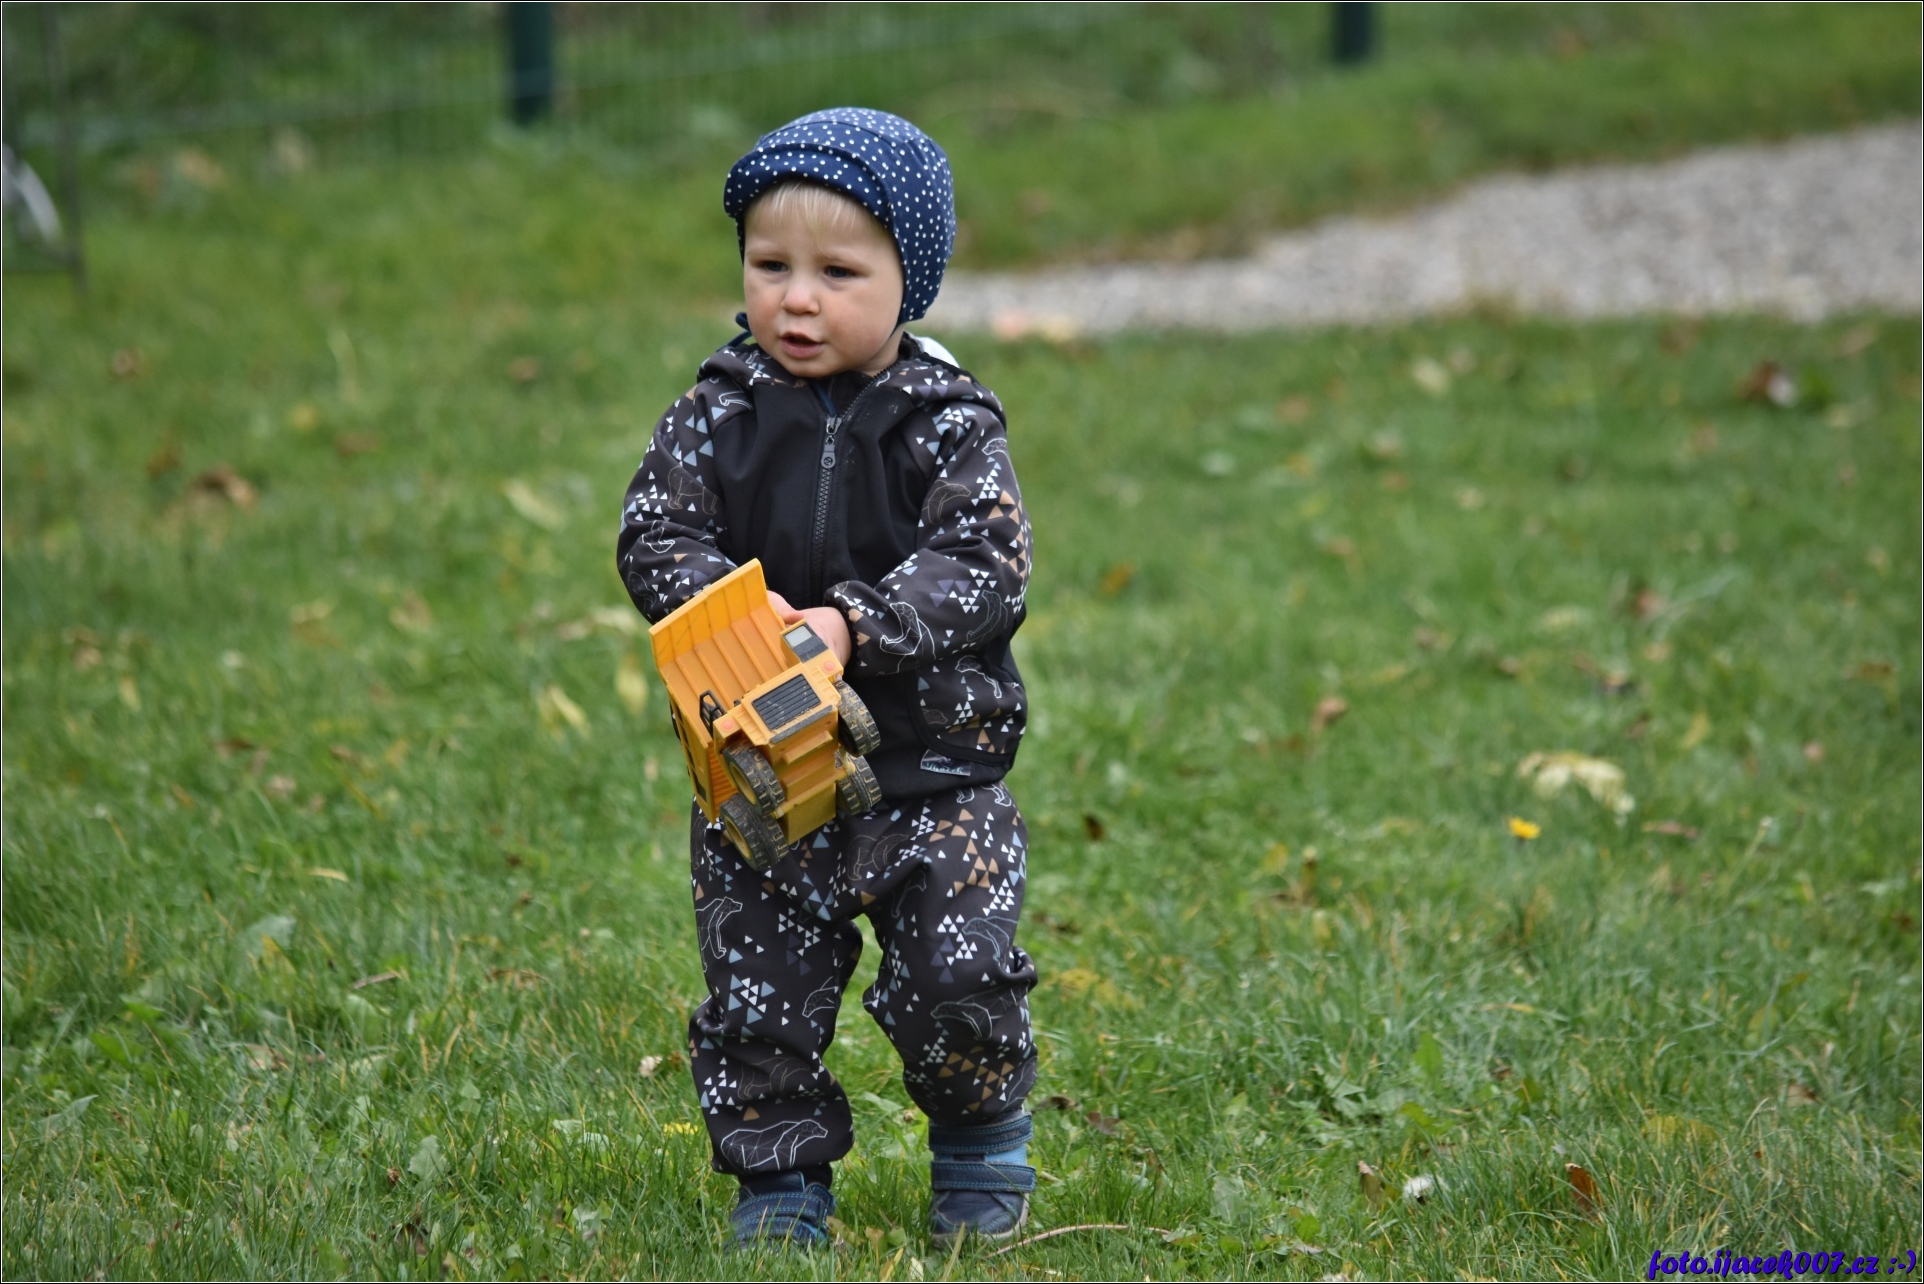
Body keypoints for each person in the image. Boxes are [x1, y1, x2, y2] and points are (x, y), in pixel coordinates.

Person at [616, 108, 1038, 1249]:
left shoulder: (947, 426)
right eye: (771, 267)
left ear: (912, 284)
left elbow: (985, 564)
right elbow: (654, 533)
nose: (797, 301)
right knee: (756, 995)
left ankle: (980, 1141)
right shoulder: (719, 412)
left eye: (838, 274)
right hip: (761, 765)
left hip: (932, 771)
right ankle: (781, 1185)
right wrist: (736, 612)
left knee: (959, 977)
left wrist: (855, 624)